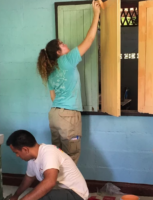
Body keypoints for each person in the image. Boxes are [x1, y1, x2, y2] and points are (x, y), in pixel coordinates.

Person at [36, 0, 100, 164]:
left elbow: (52, 96)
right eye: (63, 45)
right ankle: (68, 189)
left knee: (57, 157)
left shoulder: (50, 71)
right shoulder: (67, 60)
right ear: (59, 52)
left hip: (54, 115)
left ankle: (56, 187)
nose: (66, 45)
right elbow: (90, 38)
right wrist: (96, 14)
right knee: (71, 158)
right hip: (68, 116)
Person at [7, 130, 89, 200]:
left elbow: (50, 182)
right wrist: (16, 196)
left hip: (76, 195)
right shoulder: (32, 160)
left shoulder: (49, 152)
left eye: (16, 153)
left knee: (41, 195)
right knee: (36, 194)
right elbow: (28, 179)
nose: (17, 155)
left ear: (25, 149)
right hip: (61, 192)